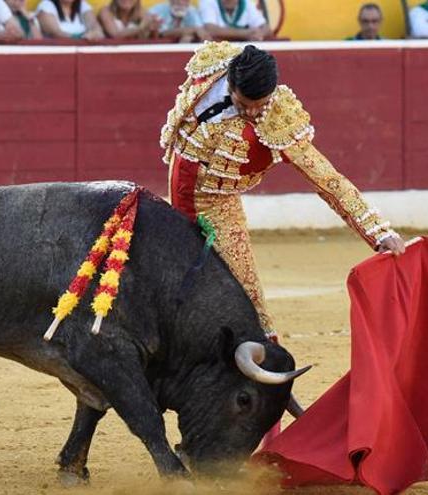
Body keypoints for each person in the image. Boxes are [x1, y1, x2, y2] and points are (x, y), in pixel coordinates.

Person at [159, 42, 405, 337]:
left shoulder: (280, 121)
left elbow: (327, 179)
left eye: (260, 105)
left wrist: (378, 232)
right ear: (229, 82)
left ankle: (263, 372)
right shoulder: (211, 68)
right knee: (163, 285)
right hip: (173, 196)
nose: (252, 112)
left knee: (245, 300)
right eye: (243, 104)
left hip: (218, 207)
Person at [199, 0, 269, 41]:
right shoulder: (208, 1)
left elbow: (266, 28)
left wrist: (259, 34)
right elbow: (211, 30)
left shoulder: (246, 2)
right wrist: (246, 33)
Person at [36, 0, 102, 39]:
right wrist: (82, 38)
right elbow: (56, 33)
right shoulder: (46, 6)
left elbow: (95, 27)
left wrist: (94, 33)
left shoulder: (82, 4)